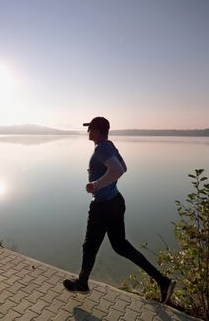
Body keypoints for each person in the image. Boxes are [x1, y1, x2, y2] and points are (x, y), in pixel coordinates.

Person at [63, 116, 176, 303]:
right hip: (115, 201)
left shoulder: (101, 148)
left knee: (89, 245)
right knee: (120, 246)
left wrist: (96, 185)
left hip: (103, 206)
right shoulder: (109, 145)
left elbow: (118, 170)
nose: (87, 132)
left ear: (98, 131)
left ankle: (82, 283)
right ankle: (163, 281)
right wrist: (105, 182)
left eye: (90, 128)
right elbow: (123, 166)